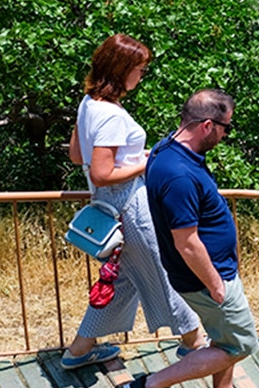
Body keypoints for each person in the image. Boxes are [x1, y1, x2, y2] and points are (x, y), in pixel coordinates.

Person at [121, 89, 259, 388]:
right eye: (225, 128)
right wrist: (215, 284)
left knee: (224, 335)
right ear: (206, 125)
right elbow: (186, 242)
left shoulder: (165, 149)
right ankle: (149, 387)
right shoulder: (179, 175)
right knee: (241, 343)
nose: (226, 135)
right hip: (207, 279)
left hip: (211, 273)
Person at [62, 34, 201, 370]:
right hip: (130, 207)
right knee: (162, 270)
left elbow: (76, 155)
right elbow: (101, 172)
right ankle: (196, 342)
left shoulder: (89, 104)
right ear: (121, 70)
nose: (141, 75)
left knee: (120, 280)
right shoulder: (110, 115)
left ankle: (78, 351)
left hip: (108, 206)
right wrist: (150, 159)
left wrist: (135, 157)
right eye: (139, 69)